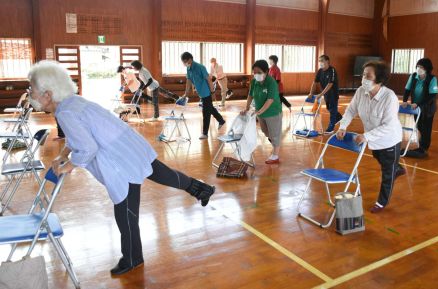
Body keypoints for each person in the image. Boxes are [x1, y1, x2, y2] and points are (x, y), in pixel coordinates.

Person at [27, 60, 215, 276]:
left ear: (48, 94)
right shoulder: (71, 103)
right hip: (130, 145)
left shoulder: (65, 113)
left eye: (32, 89)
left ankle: (133, 259)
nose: (30, 93)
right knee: (166, 176)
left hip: (120, 158)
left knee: (124, 212)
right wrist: (62, 155)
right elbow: (78, 137)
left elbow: (87, 147)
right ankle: (201, 189)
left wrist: (67, 165)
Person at [337, 61, 406, 213]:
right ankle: (397, 167)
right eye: (363, 75)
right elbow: (350, 110)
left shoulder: (389, 97)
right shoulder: (361, 91)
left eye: (368, 76)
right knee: (378, 156)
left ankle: (382, 202)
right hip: (373, 140)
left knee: (387, 173)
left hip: (389, 140)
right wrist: (343, 127)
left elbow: (388, 126)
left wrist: (366, 136)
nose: (364, 79)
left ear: (379, 79)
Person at [241, 60, 282, 165]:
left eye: (259, 72)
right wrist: (247, 108)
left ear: (266, 71)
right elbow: (250, 95)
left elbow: (270, 100)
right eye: (254, 72)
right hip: (260, 112)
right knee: (265, 131)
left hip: (272, 112)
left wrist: (259, 111)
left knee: (274, 134)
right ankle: (275, 144)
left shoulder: (271, 82)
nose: (256, 74)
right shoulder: (254, 81)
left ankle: (275, 155)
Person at [181, 52, 225, 140]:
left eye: (185, 61)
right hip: (201, 93)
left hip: (207, 93)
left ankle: (205, 133)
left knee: (206, 113)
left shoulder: (200, 67)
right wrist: (186, 93)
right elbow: (189, 81)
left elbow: (209, 80)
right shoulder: (189, 68)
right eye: (183, 62)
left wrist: (212, 92)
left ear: (190, 59)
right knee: (210, 108)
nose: (184, 63)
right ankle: (221, 120)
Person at [402, 58, 438, 158]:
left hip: (427, 108)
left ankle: (424, 148)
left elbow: (432, 95)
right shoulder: (413, 76)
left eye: (421, 67)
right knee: (419, 126)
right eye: (418, 66)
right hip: (416, 108)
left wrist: (418, 104)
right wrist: (405, 101)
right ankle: (421, 146)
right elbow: (407, 89)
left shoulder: (432, 79)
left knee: (426, 127)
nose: (419, 69)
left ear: (427, 68)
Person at [308, 55, 342, 134]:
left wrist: (321, 94)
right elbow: (315, 82)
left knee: (333, 111)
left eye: (322, 60)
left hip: (333, 93)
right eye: (319, 61)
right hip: (326, 94)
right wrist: (311, 93)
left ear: (327, 61)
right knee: (329, 108)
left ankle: (331, 128)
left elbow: (330, 84)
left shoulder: (332, 70)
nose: (320, 62)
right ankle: (339, 117)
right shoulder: (320, 71)